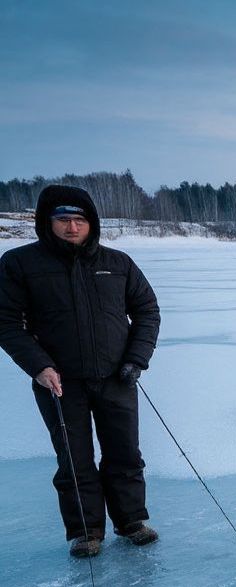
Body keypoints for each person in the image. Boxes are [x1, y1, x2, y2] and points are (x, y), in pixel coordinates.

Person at [0, 185, 161, 558]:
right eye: (63, 219)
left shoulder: (118, 263)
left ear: (92, 223)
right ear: (47, 222)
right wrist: (39, 366)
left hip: (117, 377)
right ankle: (86, 531)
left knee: (124, 453)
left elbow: (147, 311)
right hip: (58, 382)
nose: (72, 227)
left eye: (79, 220)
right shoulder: (20, 264)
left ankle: (131, 521)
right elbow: (6, 322)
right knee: (74, 459)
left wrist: (136, 359)